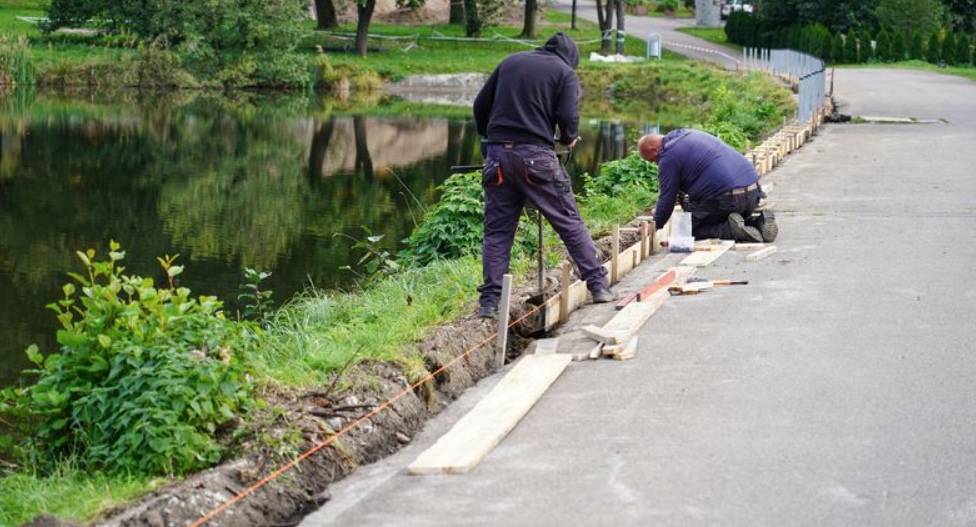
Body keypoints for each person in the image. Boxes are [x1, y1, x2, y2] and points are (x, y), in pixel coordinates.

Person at [472, 33, 614, 320]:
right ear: (571, 57)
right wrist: (569, 138)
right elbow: (567, 116)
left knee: (497, 232)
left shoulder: (510, 62)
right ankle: (598, 285)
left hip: (498, 156)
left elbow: (480, 105)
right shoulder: (564, 72)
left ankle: (489, 302)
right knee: (568, 221)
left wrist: (492, 137)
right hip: (536, 156)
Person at [637, 129, 778, 243]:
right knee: (715, 212)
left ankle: (730, 230)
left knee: (686, 231)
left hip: (728, 200)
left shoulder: (668, 157)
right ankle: (758, 223)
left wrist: (654, 226)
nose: (656, 163)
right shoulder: (687, 133)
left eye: (653, 160)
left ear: (655, 150)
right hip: (753, 195)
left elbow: (666, 198)